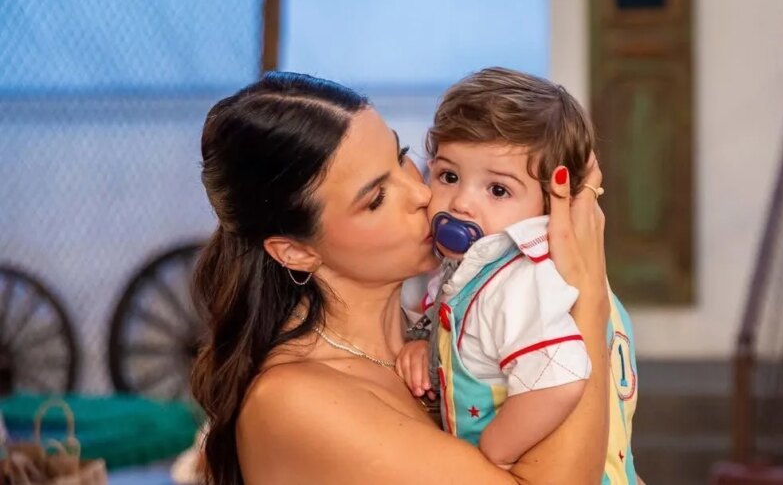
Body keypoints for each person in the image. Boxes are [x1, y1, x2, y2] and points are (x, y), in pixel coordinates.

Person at [190, 71, 612, 484]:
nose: (423, 193)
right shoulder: (291, 400)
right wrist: (587, 295)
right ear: (296, 252)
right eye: (376, 198)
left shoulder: (452, 329)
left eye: (401, 156)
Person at [396, 67, 640, 482]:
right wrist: (428, 346)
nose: (461, 203)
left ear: (551, 202)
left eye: (498, 190)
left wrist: (495, 450)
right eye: (449, 176)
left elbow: (557, 381)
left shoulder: (518, 282)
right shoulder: (480, 268)